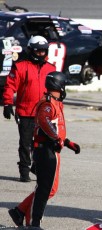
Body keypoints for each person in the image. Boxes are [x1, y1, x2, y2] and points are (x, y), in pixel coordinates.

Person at [8, 71, 81, 228]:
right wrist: (57, 139)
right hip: (46, 151)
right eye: (63, 85)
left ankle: (19, 211)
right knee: (44, 189)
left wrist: (67, 142)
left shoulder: (55, 103)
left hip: (52, 149)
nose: (64, 89)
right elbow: (45, 122)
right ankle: (34, 222)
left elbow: (54, 127)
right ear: (59, 86)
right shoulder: (47, 103)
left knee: (49, 189)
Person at [2, 35, 56, 182]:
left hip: (44, 114)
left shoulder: (51, 69)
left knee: (42, 145)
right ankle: (24, 170)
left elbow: (56, 91)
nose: (41, 54)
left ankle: (37, 167)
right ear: (31, 50)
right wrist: (7, 104)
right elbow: (10, 86)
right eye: (38, 51)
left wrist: (57, 109)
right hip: (25, 112)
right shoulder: (20, 66)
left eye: (43, 51)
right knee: (25, 144)